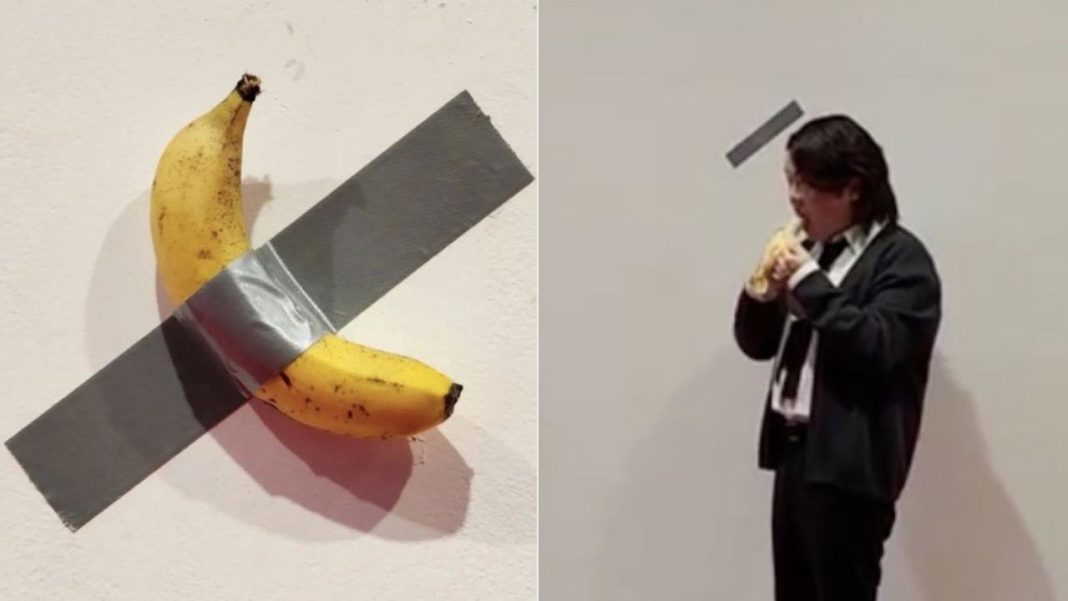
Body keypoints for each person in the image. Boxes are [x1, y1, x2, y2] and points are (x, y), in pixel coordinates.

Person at [733, 114, 942, 601]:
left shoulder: (903, 260)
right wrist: (761, 293)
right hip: (795, 455)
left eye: (806, 182)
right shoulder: (816, 252)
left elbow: (877, 344)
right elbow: (756, 344)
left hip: (851, 469)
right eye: (790, 180)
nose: (794, 197)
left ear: (851, 188)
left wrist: (809, 283)